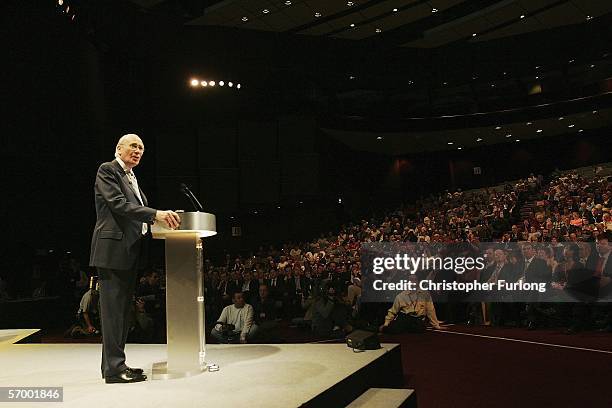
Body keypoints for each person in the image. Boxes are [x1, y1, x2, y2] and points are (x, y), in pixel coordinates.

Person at [89, 134, 180, 384]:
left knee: (120, 312)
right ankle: (115, 369)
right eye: (133, 146)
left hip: (128, 251)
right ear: (119, 148)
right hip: (112, 251)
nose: (137, 150)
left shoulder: (132, 177)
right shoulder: (108, 170)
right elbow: (118, 205)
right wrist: (156, 215)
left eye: (141, 147)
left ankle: (112, 366)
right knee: (113, 313)